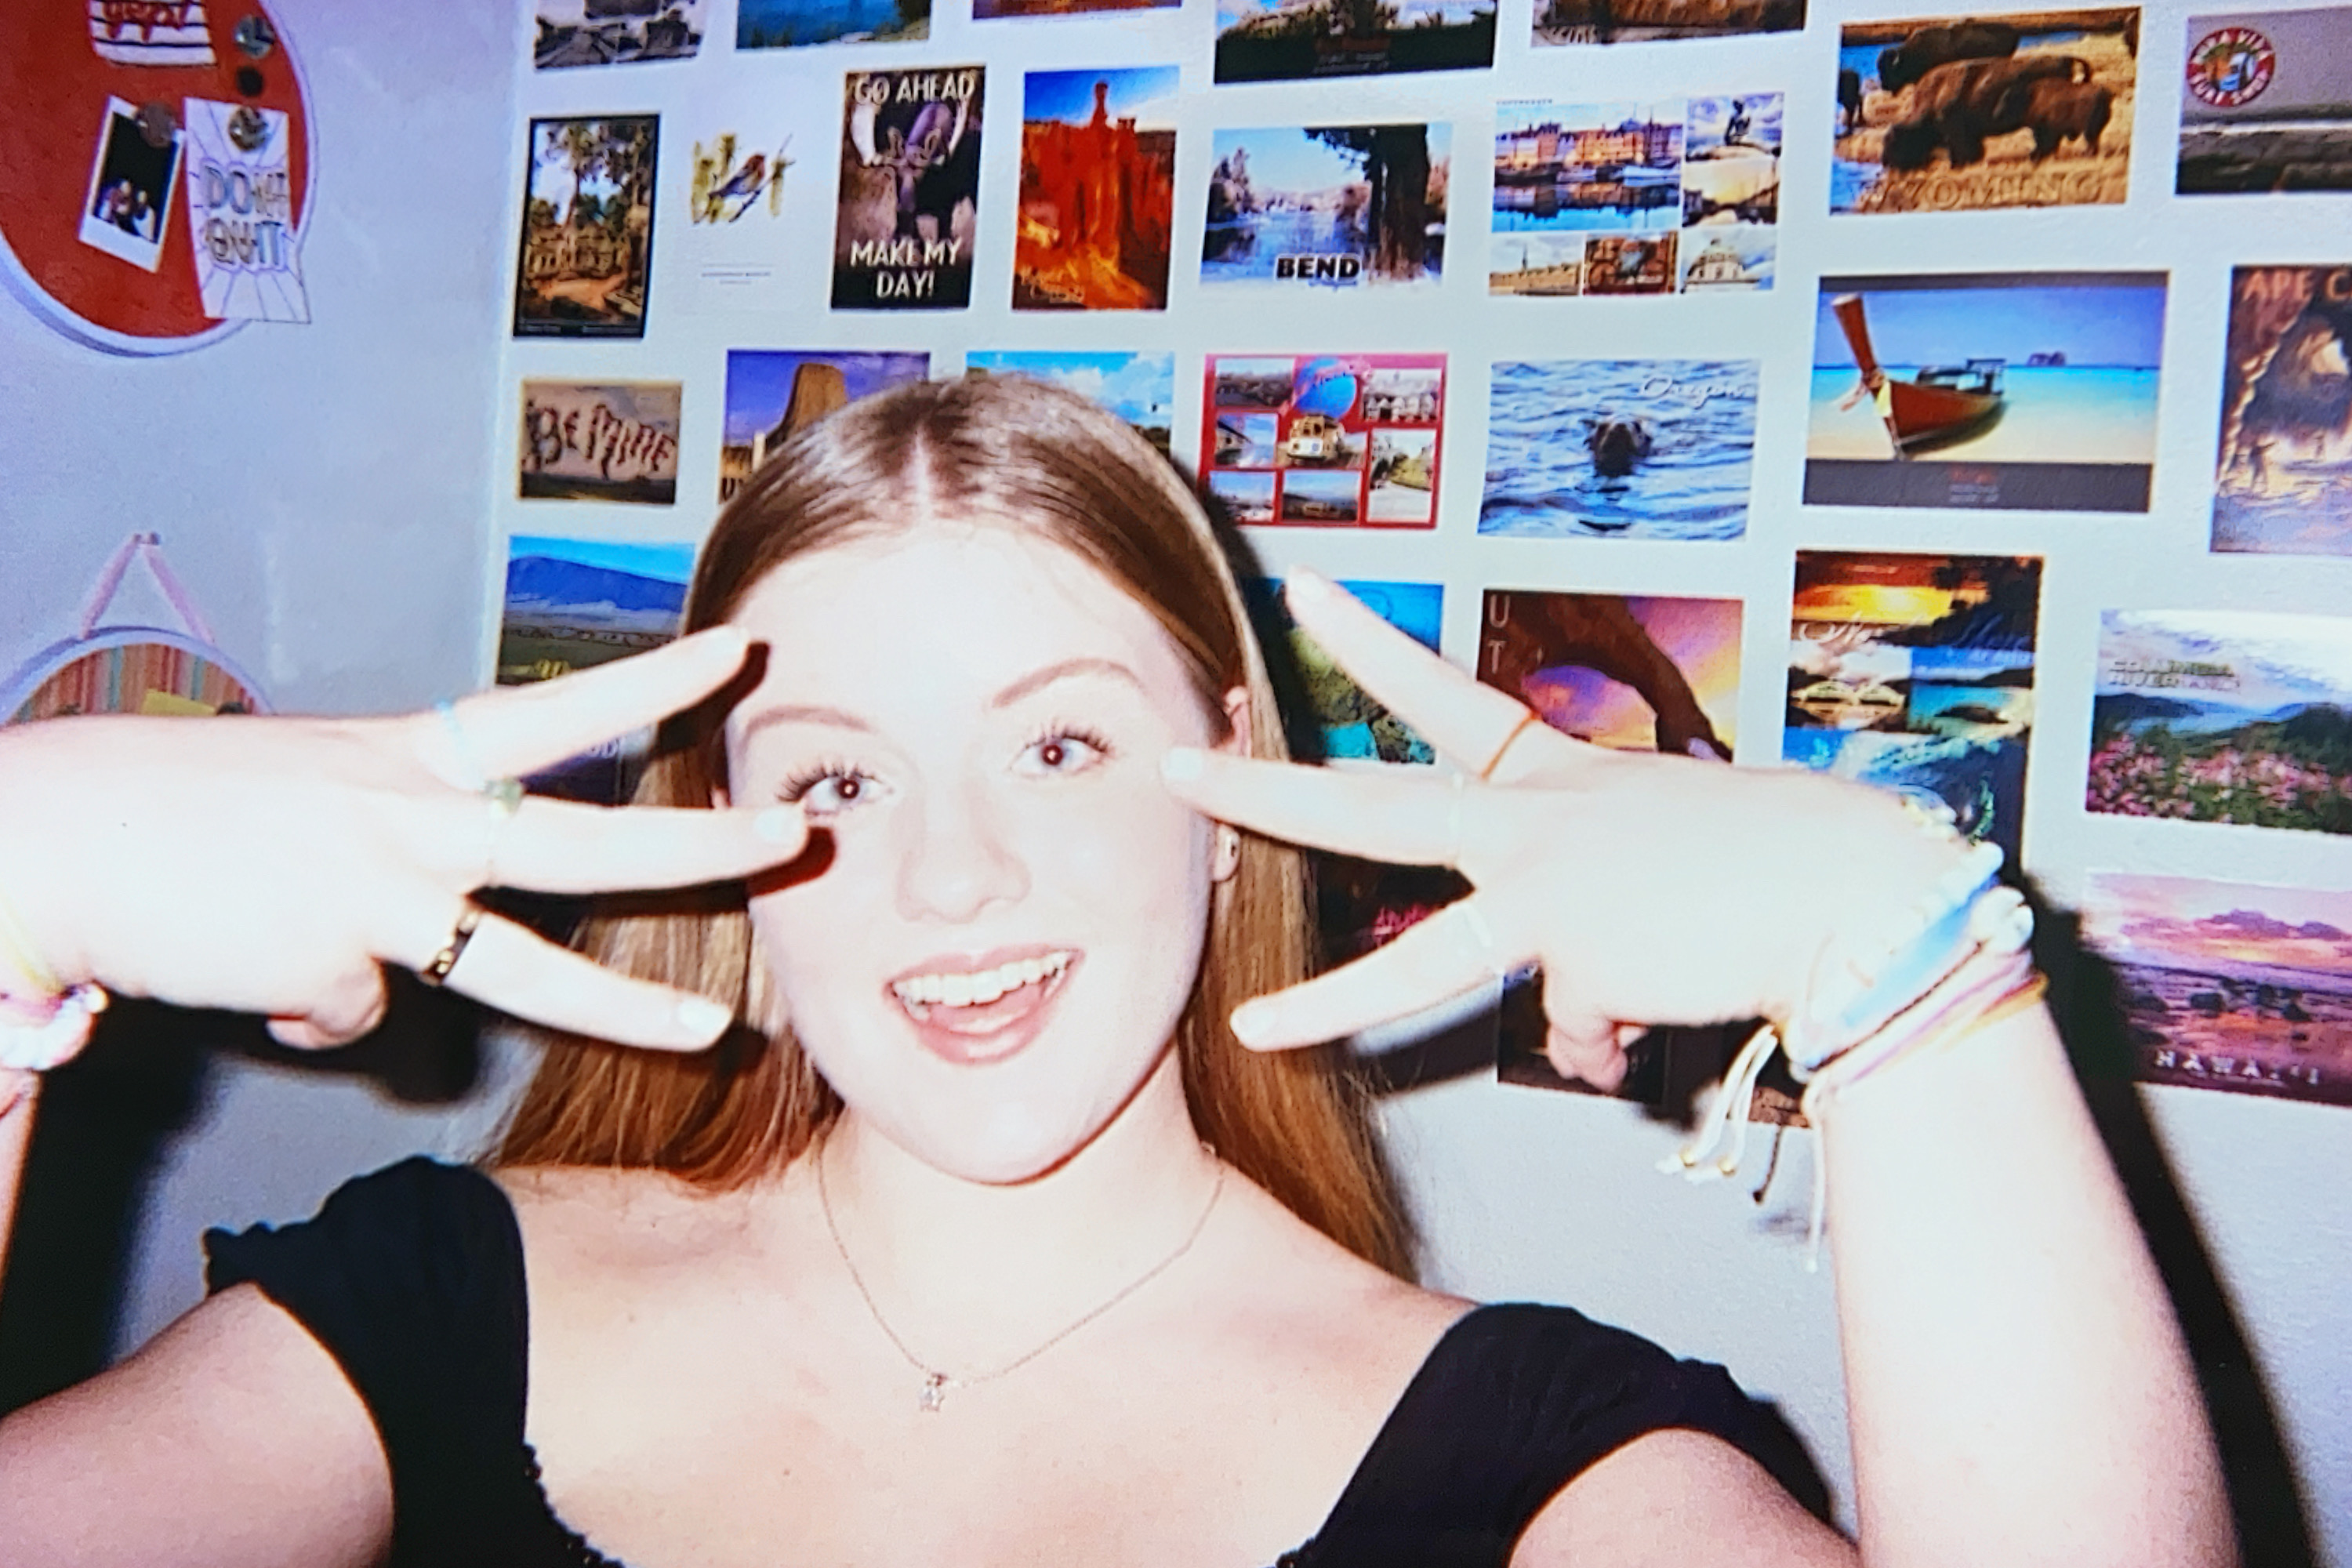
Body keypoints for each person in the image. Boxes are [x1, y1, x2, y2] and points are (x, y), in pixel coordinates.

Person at [0, 376, 2234, 1566]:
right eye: (842, 783)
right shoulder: (414, 1308)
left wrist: (1913, 973)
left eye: (1062, 743)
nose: (952, 881)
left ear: (1232, 780)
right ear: (725, 838)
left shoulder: (1539, 1460)